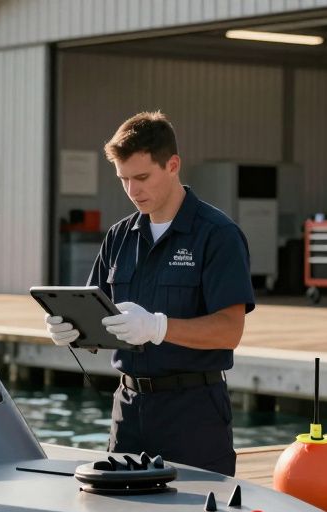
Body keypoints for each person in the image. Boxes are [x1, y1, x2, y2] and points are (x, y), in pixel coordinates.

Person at [45, 111, 255, 475]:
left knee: (197, 509)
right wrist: (72, 330)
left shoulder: (217, 235)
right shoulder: (118, 237)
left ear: (173, 165)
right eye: (123, 179)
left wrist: (159, 327)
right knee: (117, 509)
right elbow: (98, 315)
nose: (132, 190)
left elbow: (229, 330)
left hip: (193, 414)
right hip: (128, 411)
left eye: (141, 177)